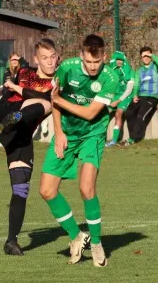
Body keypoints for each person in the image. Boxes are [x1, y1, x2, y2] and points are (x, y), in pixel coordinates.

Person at [39, 34, 117, 267]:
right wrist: (59, 133)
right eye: (89, 61)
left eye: (97, 62)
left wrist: (60, 101)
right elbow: (54, 101)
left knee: (86, 188)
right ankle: (76, 236)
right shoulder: (67, 69)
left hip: (92, 134)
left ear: (104, 56)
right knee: (46, 190)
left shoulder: (110, 78)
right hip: (67, 133)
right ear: (81, 55)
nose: (93, 67)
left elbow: (91, 113)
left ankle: (96, 243)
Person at [0, 39, 56, 256]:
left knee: (20, 188)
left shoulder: (57, 81)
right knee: (46, 104)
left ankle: (11, 242)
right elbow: (7, 96)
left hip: (19, 134)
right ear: (36, 60)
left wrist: (16, 88)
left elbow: (44, 96)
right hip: (8, 116)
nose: (49, 62)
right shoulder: (24, 72)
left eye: (53, 57)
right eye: (44, 58)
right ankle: (10, 121)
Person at [124, 46, 158, 145]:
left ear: (151, 56)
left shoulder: (156, 67)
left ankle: (132, 139)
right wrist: (135, 95)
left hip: (154, 96)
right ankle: (133, 137)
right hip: (142, 96)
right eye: (144, 56)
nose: (146, 58)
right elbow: (137, 84)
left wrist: (151, 55)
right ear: (141, 57)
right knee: (129, 112)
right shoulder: (139, 71)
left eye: (148, 55)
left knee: (141, 115)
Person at [106, 51, 135, 146]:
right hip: (113, 96)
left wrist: (118, 101)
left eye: (121, 60)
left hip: (125, 97)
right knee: (103, 115)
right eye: (117, 59)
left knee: (118, 113)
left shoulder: (129, 71)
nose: (119, 62)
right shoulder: (110, 71)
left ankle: (114, 141)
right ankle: (99, 139)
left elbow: (129, 90)